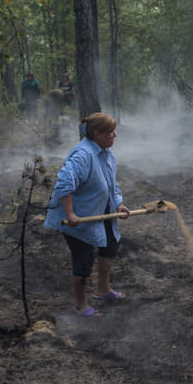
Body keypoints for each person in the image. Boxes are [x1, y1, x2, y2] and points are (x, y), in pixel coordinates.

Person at [44, 112, 130, 316]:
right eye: (110, 133)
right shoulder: (83, 155)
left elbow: (111, 184)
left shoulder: (106, 153)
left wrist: (118, 204)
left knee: (110, 244)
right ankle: (81, 305)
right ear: (97, 133)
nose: (114, 136)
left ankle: (103, 290)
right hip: (77, 218)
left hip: (101, 212)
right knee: (83, 259)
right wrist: (70, 213)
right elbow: (65, 182)